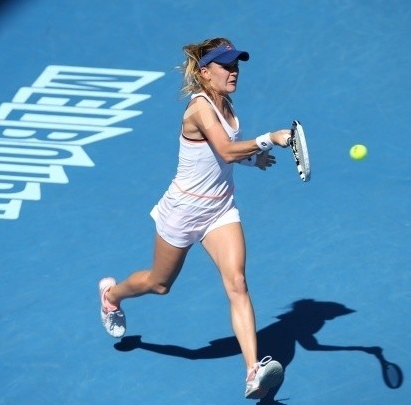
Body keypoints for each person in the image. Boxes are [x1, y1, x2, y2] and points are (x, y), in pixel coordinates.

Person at [99, 37, 290, 400]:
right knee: (159, 284)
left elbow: (221, 156)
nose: (234, 71)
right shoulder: (200, 107)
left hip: (220, 208)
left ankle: (253, 371)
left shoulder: (226, 103)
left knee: (237, 282)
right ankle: (111, 295)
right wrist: (267, 140)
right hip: (183, 212)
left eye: (236, 65)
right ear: (205, 73)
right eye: (226, 66)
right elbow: (225, 150)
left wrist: (253, 158)